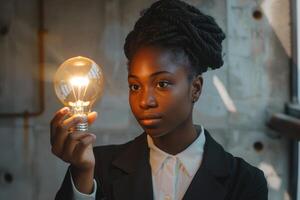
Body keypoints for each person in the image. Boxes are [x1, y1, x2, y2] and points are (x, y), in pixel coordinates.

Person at [50, 0, 268, 199]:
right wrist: (82, 176)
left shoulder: (245, 181)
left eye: (162, 84)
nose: (145, 101)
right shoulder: (96, 167)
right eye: (135, 86)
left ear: (196, 88)